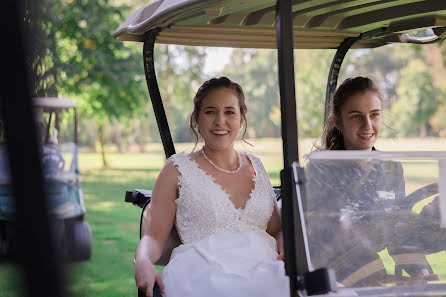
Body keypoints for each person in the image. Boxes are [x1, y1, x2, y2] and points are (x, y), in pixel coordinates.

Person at [134, 77, 289, 297]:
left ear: (242, 118)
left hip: (266, 271)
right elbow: (153, 237)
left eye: (229, 112)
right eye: (210, 112)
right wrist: (141, 260)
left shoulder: (257, 167)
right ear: (196, 117)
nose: (220, 121)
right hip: (205, 275)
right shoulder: (176, 170)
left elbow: (276, 230)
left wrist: (285, 250)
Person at [305, 77, 442, 287]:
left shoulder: (392, 169)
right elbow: (330, 237)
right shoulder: (322, 168)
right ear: (338, 122)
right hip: (334, 274)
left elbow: (398, 229)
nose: (367, 125)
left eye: (374, 115)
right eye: (356, 116)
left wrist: (419, 271)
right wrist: (376, 274)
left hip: (370, 274)